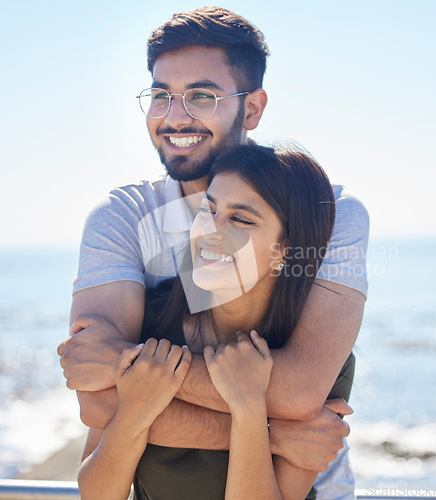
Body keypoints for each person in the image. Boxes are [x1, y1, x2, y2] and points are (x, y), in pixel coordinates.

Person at [57, 7, 369, 499]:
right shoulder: (124, 216)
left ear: (251, 108)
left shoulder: (326, 208)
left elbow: (297, 391)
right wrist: (275, 435)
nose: (175, 115)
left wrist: (128, 367)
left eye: (201, 95)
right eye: (161, 95)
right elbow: (96, 403)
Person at [78, 144, 356, 500]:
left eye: (240, 220)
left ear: (284, 251)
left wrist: (250, 407)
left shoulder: (318, 362)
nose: (210, 231)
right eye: (207, 210)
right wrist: (134, 410)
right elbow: (97, 495)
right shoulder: (148, 319)